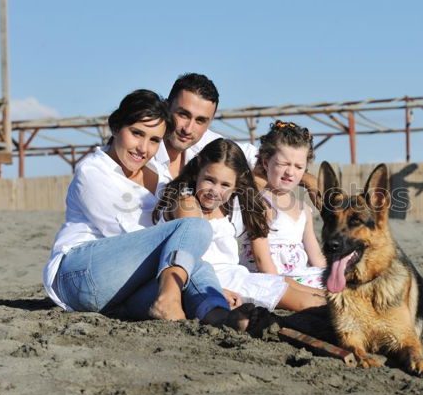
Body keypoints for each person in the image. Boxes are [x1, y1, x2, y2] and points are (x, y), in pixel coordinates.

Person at [42, 89, 260, 332]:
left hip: (121, 290)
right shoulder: (93, 172)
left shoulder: (159, 177)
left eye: (155, 140)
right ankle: (169, 299)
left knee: (196, 268)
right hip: (80, 276)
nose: (143, 148)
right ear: (115, 127)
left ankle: (219, 315)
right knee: (193, 230)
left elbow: (172, 250)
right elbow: (135, 236)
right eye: (136, 133)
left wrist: (210, 284)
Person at [153, 138, 326, 312]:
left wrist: (304, 177)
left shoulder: (229, 204)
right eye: (209, 180)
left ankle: (348, 304)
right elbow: (189, 256)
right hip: (213, 282)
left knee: (298, 286)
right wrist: (218, 290)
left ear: (236, 186)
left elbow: (263, 175)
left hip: (238, 276)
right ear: (197, 172)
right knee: (303, 301)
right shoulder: (187, 202)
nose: (215, 190)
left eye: (225, 184)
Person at [149, 72, 321, 207]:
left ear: (210, 121)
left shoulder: (207, 144)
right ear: (166, 106)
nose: (188, 128)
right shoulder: (141, 149)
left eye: (200, 120)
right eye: (183, 114)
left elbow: (254, 157)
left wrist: (309, 181)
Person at [241, 120, 326, 288]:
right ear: (266, 162)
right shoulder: (260, 202)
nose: (290, 172)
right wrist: (281, 287)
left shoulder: (303, 209)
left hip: (298, 276)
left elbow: (316, 256)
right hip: (269, 278)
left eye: (298, 166)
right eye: (283, 164)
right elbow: (261, 259)